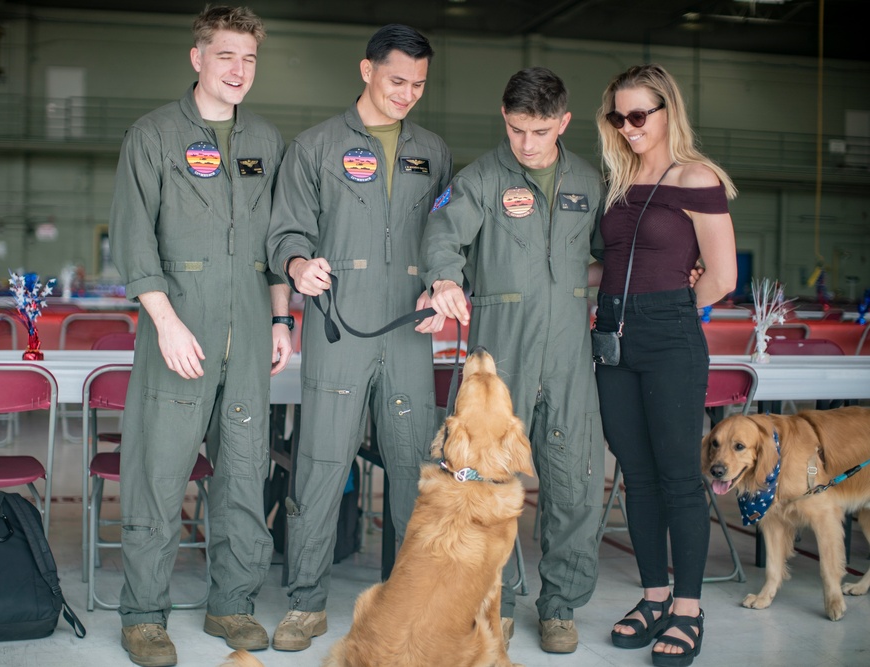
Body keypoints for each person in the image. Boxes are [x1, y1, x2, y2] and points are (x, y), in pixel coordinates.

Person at [108, 7, 292, 666]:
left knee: (243, 474)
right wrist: (164, 321)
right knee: (159, 477)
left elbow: (277, 243)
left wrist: (280, 317)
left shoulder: (267, 141)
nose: (238, 70)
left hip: (248, 327)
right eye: (226, 56)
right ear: (197, 58)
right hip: (178, 329)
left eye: (248, 58)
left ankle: (232, 603)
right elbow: (133, 238)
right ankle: (143, 614)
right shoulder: (153, 135)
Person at [265, 23, 452, 653]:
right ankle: (305, 604)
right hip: (339, 325)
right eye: (397, 80)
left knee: (411, 468)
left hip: (408, 330)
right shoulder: (315, 147)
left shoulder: (434, 150)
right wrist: (298, 266)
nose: (407, 94)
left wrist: (442, 285)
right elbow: (286, 231)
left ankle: (405, 602)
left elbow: (446, 238)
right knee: (320, 463)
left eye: (419, 85)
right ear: (367, 70)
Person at [421, 66, 605, 655]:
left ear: (564, 123)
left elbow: (616, 248)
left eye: (542, 130)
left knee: (574, 478)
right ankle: (479, 602)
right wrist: (446, 279)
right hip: (501, 356)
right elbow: (442, 235)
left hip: (572, 354)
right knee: (481, 483)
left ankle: (560, 606)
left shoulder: (588, 180)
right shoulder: (478, 180)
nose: (528, 143)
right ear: (505, 118)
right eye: (519, 128)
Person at [592, 63, 737, 667]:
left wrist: (671, 311)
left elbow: (722, 277)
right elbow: (611, 266)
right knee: (637, 473)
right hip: (611, 340)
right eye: (617, 117)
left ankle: (687, 609)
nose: (627, 128)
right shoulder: (620, 183)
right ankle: (652, 597)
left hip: (669, 336)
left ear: (666, 112)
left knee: (679, 475)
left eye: (638, 116)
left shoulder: (695, 177)